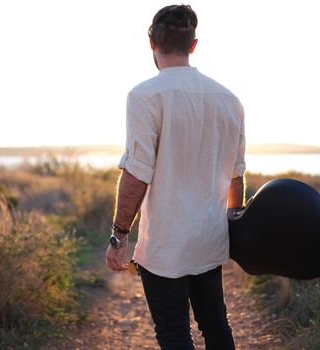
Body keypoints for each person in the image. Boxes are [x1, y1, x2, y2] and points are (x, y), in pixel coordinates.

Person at [105, 4, 245, 350]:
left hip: (165, 246)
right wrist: (232, 229)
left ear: (152, 42)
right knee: (216, 326)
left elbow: (137, 174)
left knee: (173, 333)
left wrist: (119, 235)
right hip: (210, 239)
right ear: (193, 45)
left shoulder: (144, 96)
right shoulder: (230, 100)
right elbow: (236, 177)